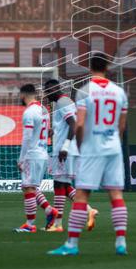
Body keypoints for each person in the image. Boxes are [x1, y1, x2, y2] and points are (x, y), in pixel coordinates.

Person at [49, 53, 130, 257]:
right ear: (108, 67)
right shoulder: (119, 92)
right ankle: (121, 242)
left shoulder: (85, 91)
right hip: (113, 147)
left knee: (82, 194)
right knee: (116, 195)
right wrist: (115, 142)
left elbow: (81, 123)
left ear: (89, 68)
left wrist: (79, 146)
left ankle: (71, 244)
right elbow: (122, 125)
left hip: (92, 148)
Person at [44, 78, 98, 233]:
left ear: (54, 90)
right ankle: (89, 210)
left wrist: (65, 146)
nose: (47, 96)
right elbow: (67, 124)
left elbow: (73, 124)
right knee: (66, 186)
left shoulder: (62, 102)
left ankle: (58, 224)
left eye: (48, 92)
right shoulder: (63, 103)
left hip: (64, 150)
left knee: (58, 185)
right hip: (68, 149)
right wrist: (54, 131)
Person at [14, 84, 61, 233]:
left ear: (23, 95)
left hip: (32, 154)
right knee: (32, 187)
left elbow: (27, 137)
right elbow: (48, 132)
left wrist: (21, 159)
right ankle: (49, 210)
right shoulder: (44, 110)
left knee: (28, 188)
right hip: (42, 152)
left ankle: (30, 224)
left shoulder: (29, 112)